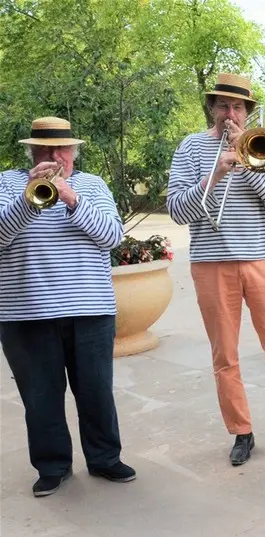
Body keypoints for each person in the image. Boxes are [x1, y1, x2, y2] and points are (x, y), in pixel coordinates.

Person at [165, 72, 265, 466]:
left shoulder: (263, 145)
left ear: (248, 112)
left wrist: (250, 162)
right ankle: (241, 432)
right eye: (223, 105)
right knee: (225, 356)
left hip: (262, 260)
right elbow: (176, 210)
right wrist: (216, 173)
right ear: (212, 108)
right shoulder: (189, 148)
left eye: (238, 106)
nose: (230, 113)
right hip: (211, 265)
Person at [0, 116, 135, 497]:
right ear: (31, 152)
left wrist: (72, 200)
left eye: (61, 149)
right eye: (45, 150)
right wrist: (29, 197)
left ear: (73, 152)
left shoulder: (92, 185)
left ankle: (105, 459)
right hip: (25, 312)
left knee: (96, 391)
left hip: (90, 309)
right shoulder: (6, 184)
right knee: (40, 396)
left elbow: (111, 236)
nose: (54, 157)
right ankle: (52, 466)